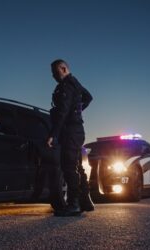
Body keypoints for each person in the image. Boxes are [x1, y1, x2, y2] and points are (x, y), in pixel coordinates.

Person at [47, 59, 95, 216]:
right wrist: (78, 110)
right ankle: (85, 201)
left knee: (68, 166)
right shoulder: (76, 83)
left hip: (70, 131)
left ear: (63, 68)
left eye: (55, 72)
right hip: (76, 130)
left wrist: (54, 134)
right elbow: (88, 97)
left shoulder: (67, 85)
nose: (53, 76)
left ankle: (73, 204)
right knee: (77, 166)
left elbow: (63, 111)